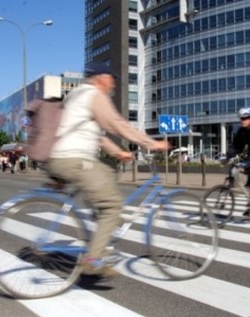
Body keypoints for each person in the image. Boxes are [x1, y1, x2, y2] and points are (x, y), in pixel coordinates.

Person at [47, 62, 170, 277]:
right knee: (113, 206)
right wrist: (152, 143)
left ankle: (102, 216)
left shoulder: (76, 95)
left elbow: (96, 134)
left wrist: (117, 153)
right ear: (101, 78)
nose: (113, 83)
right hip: (76, 160)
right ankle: (94, 259)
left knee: (107, 173)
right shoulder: (94, 95)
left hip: (61, 157)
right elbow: (118, 124)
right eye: (111, 78)